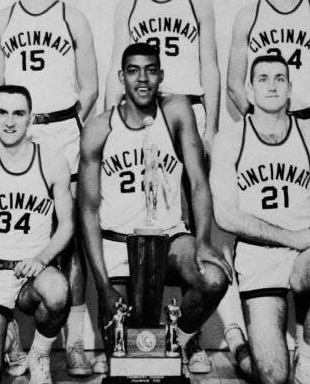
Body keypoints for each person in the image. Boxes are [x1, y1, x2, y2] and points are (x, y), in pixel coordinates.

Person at [79, 43, 231, 375]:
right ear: (122, 77)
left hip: (168, 240)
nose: (143, 79)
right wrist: (103, 285)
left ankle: (175, 340)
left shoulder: (176, 111)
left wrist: (203, 240)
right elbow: (88, 211)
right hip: (118, 244)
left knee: (214, 278)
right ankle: (148, 350)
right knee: (125, 362)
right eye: (133, 71)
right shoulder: (99, 129)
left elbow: (199, 182)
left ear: (161, 75)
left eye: (150, 70)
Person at [0, 0, 98, 377]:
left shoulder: (73, 16)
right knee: (18, 227)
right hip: (18, 132)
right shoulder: (3, 19)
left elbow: (90, 86)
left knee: (68, 241)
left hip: (62, 131)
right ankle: (16, 334)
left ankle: (74, 340)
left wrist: (66, 123)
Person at [210, 55, 310, 383]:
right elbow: (225, 216)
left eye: (279, 79)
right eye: (263, 79)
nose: (271, 86)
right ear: (248, 88)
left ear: (289, 88)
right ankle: (239, 346)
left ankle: (309, 362)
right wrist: (291, 237)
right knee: (271, 377)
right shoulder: (230, 138)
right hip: (259, 255)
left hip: (304, 253)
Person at [0, 85, 73, 384]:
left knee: (58, 291)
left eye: (18, 113)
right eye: (2, 112)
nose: (10, 122)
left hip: (31, 275)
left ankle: (38, 354)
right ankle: (6, 336)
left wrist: (42, 258)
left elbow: (67, 226)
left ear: (30, 119)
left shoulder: (52, 161)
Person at [105, 0, 220, 142]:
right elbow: (115, 68)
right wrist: (111, 122)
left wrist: (211, 129)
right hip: (141, 108)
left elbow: (210, 68)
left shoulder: (198, 2)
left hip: (189, 107)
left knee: (191, 177)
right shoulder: (128, 4)